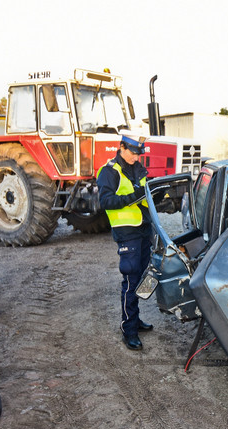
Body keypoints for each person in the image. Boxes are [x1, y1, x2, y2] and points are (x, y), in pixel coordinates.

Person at [97, 135, 154, 350]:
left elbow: (146, 194)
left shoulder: (138, 168)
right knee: (130, 280)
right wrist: (134, 197)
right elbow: (105, 202)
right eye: (132, 152)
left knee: (142, 278)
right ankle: (128, 329)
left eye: (138, 153)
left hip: (144, 230)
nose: (135, 157)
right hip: (127, 233)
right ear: (121, 147)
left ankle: (135, 320)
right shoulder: (109, 171)